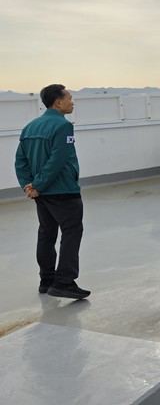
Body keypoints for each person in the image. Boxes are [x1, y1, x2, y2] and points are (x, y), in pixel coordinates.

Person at [14, 84, 90, 299]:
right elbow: (58, 160)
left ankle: (46, 280)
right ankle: (64, 282)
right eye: (69, 98)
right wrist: (37, 185)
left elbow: (20, 161)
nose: (72, 102)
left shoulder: (30, 127)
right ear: (58, 102)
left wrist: (28, 185)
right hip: (63, 190)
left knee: (47, 234)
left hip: (42, 194)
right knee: (72, 232)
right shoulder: (63, 126)